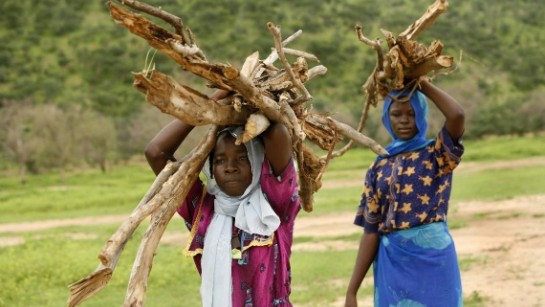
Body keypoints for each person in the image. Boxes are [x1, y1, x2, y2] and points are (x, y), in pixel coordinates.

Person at [144, 91, 300, 307]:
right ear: (210, 167)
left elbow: (277, 132)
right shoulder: (201, 209)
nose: (230, 167)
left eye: (242, 157)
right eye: (219, 160)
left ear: (257, 162)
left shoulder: (274, 203)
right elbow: (156, 153)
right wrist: (209, 105)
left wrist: (252, 100)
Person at [344, 78, 465, 307]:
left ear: (421, 114)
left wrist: (422, 84)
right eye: (396, 115)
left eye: (411, 113)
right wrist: (352, 292)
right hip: (393, 263)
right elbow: (371, 232)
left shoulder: (437, 154)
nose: (404, 121)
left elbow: (457, 116)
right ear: (386, 119)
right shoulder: (379, 166)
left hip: (434, 260)